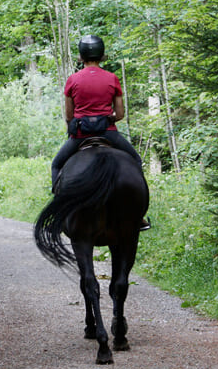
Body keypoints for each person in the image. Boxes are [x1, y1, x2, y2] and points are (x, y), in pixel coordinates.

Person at [51, 34, 150, 230]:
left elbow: (69, 116)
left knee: (56, 164)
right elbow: (120, 113)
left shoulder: (73, 80)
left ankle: (60, 212)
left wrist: (77, 125)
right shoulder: (112, 78)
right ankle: (139, 215)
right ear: (101, 55)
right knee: (136, 161)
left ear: (81, 56)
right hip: (108, 133)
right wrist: (109, 118)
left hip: (80, 136)